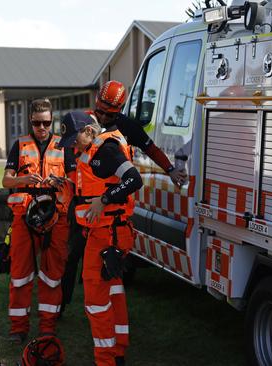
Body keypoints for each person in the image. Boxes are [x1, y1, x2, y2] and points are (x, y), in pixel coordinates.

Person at [60, 80, 188, 315]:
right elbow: (69, 152)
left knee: (108, 267)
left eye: (108, 113)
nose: (102, 117)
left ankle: (106, 313)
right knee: (71, 256)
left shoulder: (126, 127)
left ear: (118, 110)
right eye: (99, 111)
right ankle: (61, 306)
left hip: (110, 214)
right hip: (82, 206)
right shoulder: (85, 123)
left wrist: (170, 169)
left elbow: (150, 149)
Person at [58, 111, 143, 366]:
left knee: (95, 300)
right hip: (105, 231)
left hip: (108, 233)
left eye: (75, 139)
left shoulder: (106, 150)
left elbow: (134, 179)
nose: (73, 145)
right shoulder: (92, 153)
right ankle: (117, 353)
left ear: (88, 132)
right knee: (113, 291)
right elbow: (94, 185)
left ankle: (106, 359)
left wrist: (105, 199)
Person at [2, 98, 72, 346]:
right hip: (25, 217)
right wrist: (25, 181)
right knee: (20, 275)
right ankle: (18, 328)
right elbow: (6, 181)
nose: (41, 127)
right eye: (36, 123)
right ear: (30, 121)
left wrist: (60, 182)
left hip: (56, 219)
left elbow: (76, 182)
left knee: (52, 276)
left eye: (46, 122)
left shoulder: (65, 146)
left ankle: (47, 328)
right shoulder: (19, 145)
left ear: (52, 121)